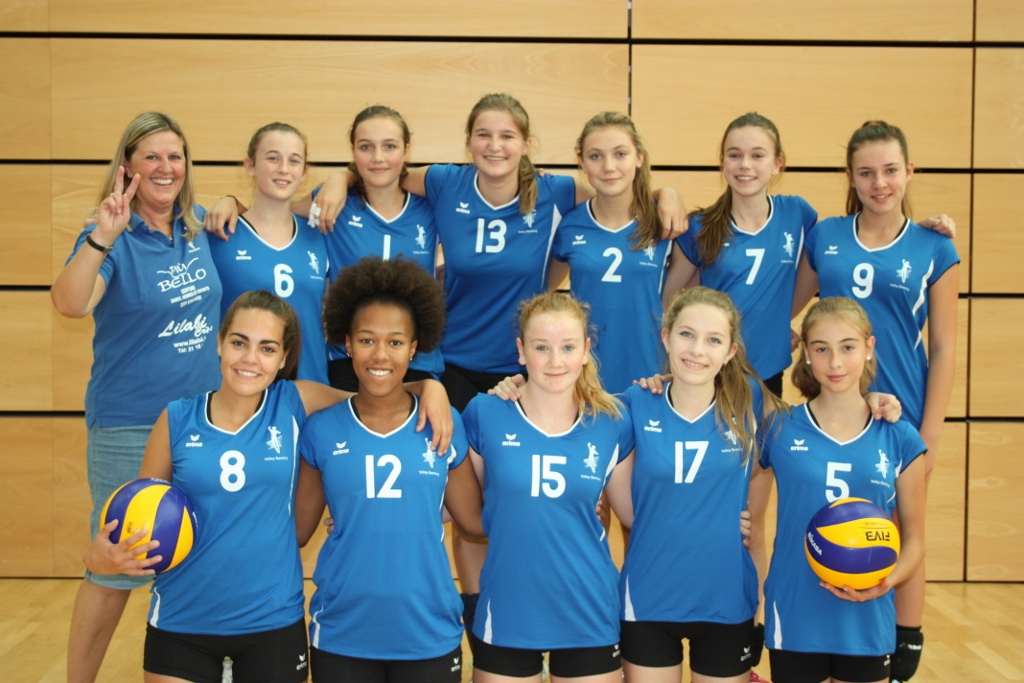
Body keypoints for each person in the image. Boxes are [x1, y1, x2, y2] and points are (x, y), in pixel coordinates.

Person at [83, 290, 453, 683]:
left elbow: (375, 394)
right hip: (181, 621)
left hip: (272, 623)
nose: (250, 358)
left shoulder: (293, 402)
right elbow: (144, 513)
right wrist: (101, 559)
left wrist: (430, 388)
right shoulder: (176, 419)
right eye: (239, 343)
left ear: (283, 358)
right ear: (219, 343)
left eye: (267, 348)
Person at [51, 112, 224, 683]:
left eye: (175, 156)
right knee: (117, 567)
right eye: (151, 156)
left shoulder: (199, 228)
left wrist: (231, 202)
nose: (165, 167)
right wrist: (102, 235)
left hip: (200, 425)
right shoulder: (111, 237)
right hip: (130, 426)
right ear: (127, 167)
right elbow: (71, 303)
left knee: (198, 559)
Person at [793, 121, 959, 681]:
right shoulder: (826, 235)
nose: (879, 182)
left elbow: (944, 346)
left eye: (890, 170)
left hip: (900, 412)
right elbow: (787, 308)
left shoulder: (935, 246)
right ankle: (827, 639)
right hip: (833, 405)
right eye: (866, 172)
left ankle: (904, 639)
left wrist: (929, 433)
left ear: (909, 172)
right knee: (835, 521)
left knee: (898, 526)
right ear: (850, 176)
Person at [295, 256, 483, 683]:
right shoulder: (321, 430)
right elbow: (296, 532)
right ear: (346, 343)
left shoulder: (443, 424)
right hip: (342, 633)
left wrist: (563, 504)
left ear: (414, 348)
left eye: (395, 342)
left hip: (428, 633)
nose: (380, 354)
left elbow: (475, 521)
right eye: (367, 340)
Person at [600, 287, 784, 683]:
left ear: (731, 351)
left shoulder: (749, 400)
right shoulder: (636, 402)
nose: (697, 350)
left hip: (725, 600)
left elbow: (819, 429)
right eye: (686, 334)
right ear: (666, 337)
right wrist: (512, 389)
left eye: (713, 340)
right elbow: (564, 416)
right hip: (648, 597)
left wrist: (873, 402)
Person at [462, 291, 633, 683]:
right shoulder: (485, 412)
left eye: (568, 347)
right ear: (521, 351)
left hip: (588, 607)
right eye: (541, 347)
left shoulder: (613, 421)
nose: (556, 361)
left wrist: (721, 517)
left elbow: (635, 513)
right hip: (508, 607)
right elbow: (454, 505)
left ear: (586, 350)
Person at [761, 297, 926, 683]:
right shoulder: (779, 427)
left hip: (867, 618)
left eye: (848, 347)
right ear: (806, 354)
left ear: (869, 348)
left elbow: (916, 541)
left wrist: (885, 583)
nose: (835, 363)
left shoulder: (899, 436)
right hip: (796, 612)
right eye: (822, 349)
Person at [550, 111, 693, 394]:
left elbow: (684, 296)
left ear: (639, 157)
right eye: (595, 156)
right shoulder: (569, 225)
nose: (608, 166)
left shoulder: (665, 222)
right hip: (583, 378)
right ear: (581, 162)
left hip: (651, 377)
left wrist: (669, 192)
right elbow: (544, 290)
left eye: (620, 154)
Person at [309, 105, 444, 391]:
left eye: (389, 146)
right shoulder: (334, 203)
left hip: (418, 362)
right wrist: (232, 203)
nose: (378, 157)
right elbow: (276, 210)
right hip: (347, 360)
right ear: (353, 151)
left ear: (407, 150)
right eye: (366, 147)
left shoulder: (432, 207)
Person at [208, 122, 330, 383]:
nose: (283, 168)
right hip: (242, 386)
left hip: (309, 387)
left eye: (294, 161)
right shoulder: (220, 235)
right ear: (250, 165)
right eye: (273, 158)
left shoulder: (319, 235)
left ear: (304, 172)